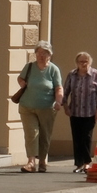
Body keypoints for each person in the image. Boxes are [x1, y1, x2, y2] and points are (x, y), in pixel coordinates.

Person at [15, 42, 65, 172]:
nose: (41, 56)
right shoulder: (29, 67)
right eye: (39, 53)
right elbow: (20, 78)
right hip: (27, 106)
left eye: (44, 53)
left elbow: (58, 87)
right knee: (31, 133)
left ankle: (42, 161)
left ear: (50, 55)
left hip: (47, 107)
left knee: (44, 134)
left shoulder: (53, 69)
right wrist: (22, 83)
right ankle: (31, 162)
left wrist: (58, 101)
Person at [62, 51, 97, 173]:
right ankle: (79, 164)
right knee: (77, 138)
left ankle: (87, 163)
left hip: (90, 112)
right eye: (81, 62)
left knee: (86, 137)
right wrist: (65, 107)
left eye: (86, 61)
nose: (83, 64)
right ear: (77, 63)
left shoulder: (95, 74)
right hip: (75, 111)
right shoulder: (72, 75)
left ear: (89, 62)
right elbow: (65, 92)